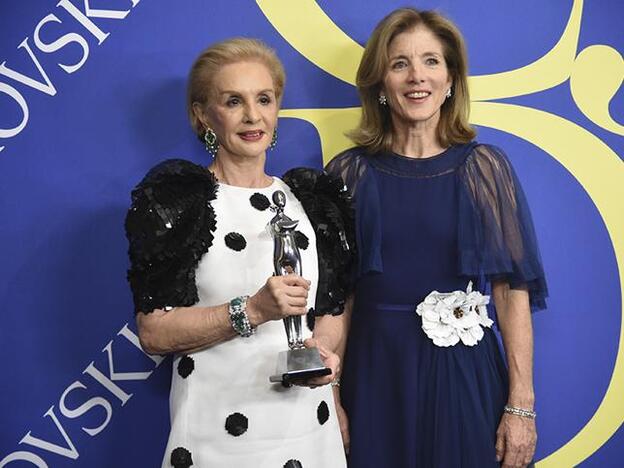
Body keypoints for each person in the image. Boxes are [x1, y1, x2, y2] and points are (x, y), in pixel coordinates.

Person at [324, 8, 548, 468]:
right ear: (380, 84)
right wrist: (329, 400)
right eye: (399, 63)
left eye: (431, 61)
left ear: (450, 80)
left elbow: (510, 295)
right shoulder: (348, 174)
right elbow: (336, 301)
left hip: (463, 374)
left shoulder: (484, 168)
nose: (416, 77)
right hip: (375, 374)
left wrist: (521, 405)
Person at [125, 38, 353, 468]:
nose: (253, 115)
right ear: (202, 114)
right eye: (234, 101)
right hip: (218, 438)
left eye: (264, 99)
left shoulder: (313, 199)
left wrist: (321, 352)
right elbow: (154, 332)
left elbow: (332, 309)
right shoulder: (181, 201)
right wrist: (251, 310)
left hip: (310, 428)